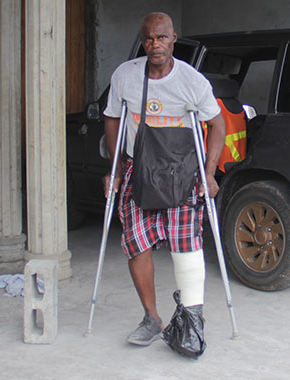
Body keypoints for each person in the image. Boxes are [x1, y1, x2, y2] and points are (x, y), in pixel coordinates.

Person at [102, 12, 226, 346]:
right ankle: (151, 318)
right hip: (138, 170)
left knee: (186, 245)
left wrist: (209, 173)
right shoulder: (125, 76)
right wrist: (114, 169)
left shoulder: (192, 81)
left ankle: (191, 320)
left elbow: (217, 125)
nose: (155, 45)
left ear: (173, 38)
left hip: (181, 172)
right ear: (142, 42)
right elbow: (113, 119)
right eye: (148, 39)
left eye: (161, 37)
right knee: (136, 244)